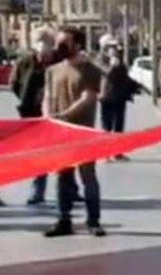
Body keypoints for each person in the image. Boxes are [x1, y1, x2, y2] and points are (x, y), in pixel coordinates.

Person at [43, 27, 105, 238]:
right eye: (58, 41)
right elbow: (48, 96)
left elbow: (88, 98)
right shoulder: (52, 70)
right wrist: (47, 117)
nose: (60, 46)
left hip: (82, 132)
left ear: (78, 44)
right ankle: (63, 219)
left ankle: (93, 221)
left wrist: (64, 115)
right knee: (62, 177)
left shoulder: (90, 70)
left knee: (88, 177)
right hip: (60, 133)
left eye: (65, 42)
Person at [11, 31, 56, 205]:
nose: (43, 45)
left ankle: (68, 188)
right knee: (37, 152)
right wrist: (25, 98)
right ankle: (38, 190)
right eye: (40, 41)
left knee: (60, 151)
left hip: (53, 113)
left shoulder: (57, 61)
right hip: (30, 113)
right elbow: (14, 83)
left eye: (47, 42)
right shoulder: (24, 62)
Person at [100, 47, 137, 161]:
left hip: (120, 98)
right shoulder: (101, 63)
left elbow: (125, 78)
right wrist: (112, 65)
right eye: (112, 51)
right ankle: (105, 153)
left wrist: (133, 88)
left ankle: (118, 152)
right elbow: (107, 75)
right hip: (107, 98)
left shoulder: (121, 65)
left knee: (119, 127)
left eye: (116, 52)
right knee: (107, 127)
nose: (116, 53)